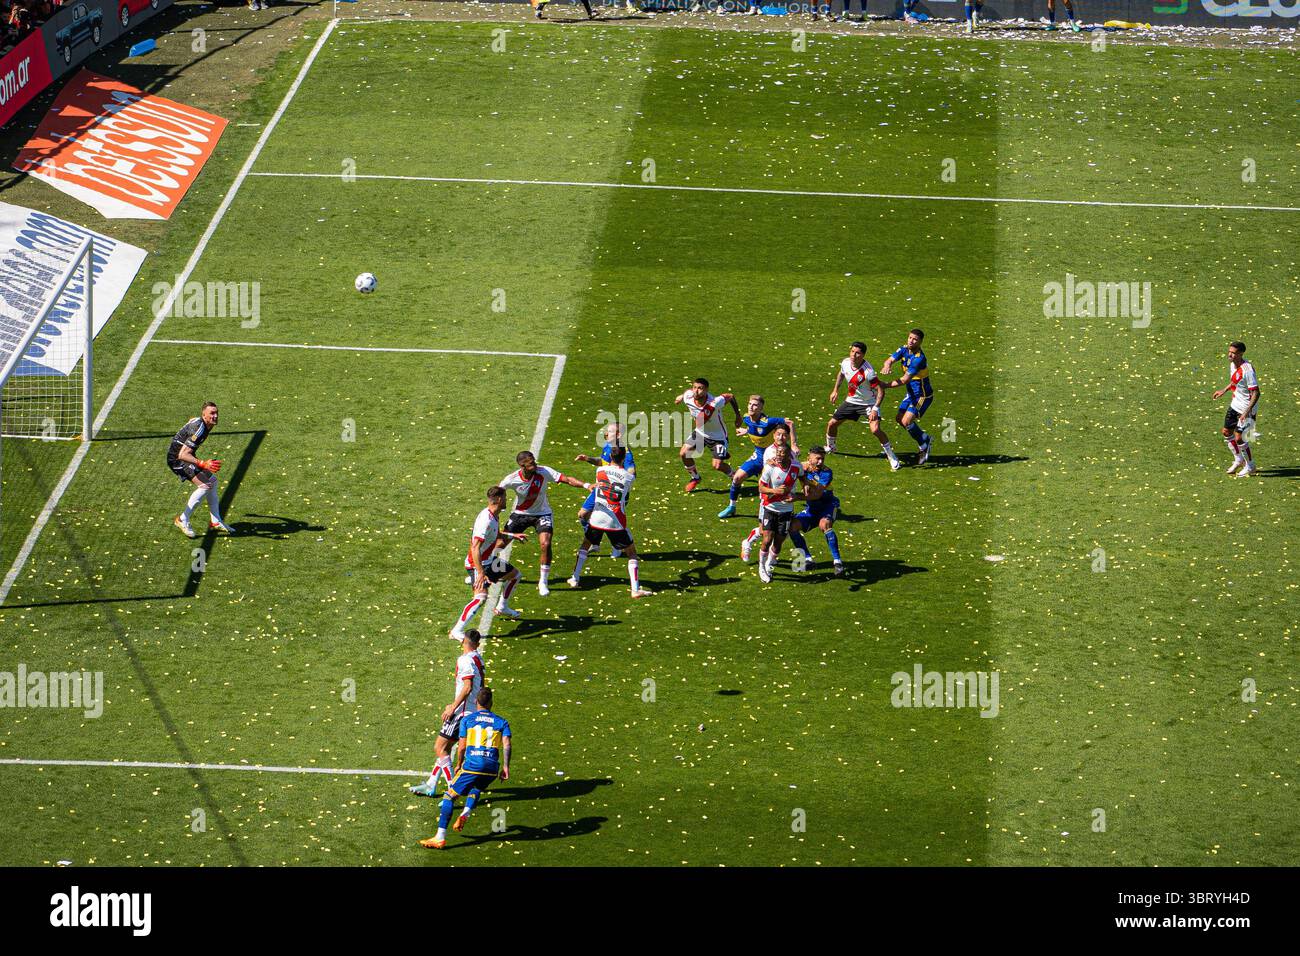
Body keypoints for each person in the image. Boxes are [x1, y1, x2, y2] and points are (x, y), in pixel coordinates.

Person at [419, 687, 511, 849]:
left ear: (476, 702)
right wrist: (505, 767)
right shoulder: (501, 721)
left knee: (449, 797)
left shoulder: (468, 720)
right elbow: (507, 745)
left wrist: (459, 765)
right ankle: (466, 812)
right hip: (491, 769)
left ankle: (439, 837)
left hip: (472, 765)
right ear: (491, 703)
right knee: (476, 787)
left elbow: (461, 747)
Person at [499, 451, 592, 597]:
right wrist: (497, 511)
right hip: (520, 515)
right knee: (499, 544)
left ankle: (543, 582)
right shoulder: (511, 479)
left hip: (542, 514)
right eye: (531, 463)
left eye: (534, 461)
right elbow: (497, 493)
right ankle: (479, 570)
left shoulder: (543, 471)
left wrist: (587, 485)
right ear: (522, 466)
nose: (535, 465)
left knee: (545, 544)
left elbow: (566, 479)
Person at [567, 448, 651, 597]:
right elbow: (629, 477)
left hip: (597, 518)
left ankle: (574, 578)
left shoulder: (600, 471)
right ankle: (635, 589)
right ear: (624, 458)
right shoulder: (628, 478)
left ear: (610, 456)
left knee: (585, 545)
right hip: (616, 521)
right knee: (631, 552)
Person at [411, 630, 484, 797]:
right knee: (447, 748)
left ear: (463, 641)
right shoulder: (478, 658)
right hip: (471, 711)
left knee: (440, 748)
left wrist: (452, 707)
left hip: (461, 713)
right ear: (478, 644)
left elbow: (467, 686)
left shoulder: (465, 660)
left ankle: (453, 789)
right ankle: (431, 784)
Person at [452, 487, 527, 639]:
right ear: (499, 499)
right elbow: (475, 548)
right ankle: (456, 630)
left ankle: (503, 607)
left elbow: (496, 533)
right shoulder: (485, 520)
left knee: (515, 575)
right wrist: (480, 573)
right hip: (477, 564)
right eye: (505, 497)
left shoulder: (494, 516)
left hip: (489, 561)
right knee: (480, 597)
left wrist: (513, 535)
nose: (506, 500)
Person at [719, 395, 798, 519]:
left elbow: (790, 422)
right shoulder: (746, 418)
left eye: (755, 405)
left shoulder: (767, 422)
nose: (751, 406)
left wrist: (793, 445)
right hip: (758, 456)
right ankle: (731, 507)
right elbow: (753, 427)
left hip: (774, 456)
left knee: (776, 487)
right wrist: (746, 431)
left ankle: (784, 512)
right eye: (750, 403)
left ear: (761, 408)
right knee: (737, 478)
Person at [825, 342, 899, 470]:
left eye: (857, 352)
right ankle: (831, 447)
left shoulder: (868, 372)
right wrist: (835, 390)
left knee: (875, 430)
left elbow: (881, 390)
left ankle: (891, 456)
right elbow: (841, 374)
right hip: (852, 401)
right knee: (832, 424)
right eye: (852, 351)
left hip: (868, 403)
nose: (854, 355)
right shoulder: (845, 362)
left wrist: (875, 409)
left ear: (863, 355)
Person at [168, 402, 233, 537]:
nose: (215, 416)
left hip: (186, 456)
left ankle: (215, 521)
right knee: (205, 486)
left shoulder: (203, 424)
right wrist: (202, 463)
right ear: (204, 415)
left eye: (216, 413)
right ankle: (182, 520)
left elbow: (191, 421)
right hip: (178, 459)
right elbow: (182, 454)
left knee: (213, 481)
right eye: (212, 413)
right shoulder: (200, 428)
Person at [575, 423, 636, 557]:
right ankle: (595, 543)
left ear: (619, 435)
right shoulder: (608, 446)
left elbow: (631, 472)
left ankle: (620, 546)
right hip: (601, 489)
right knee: (583, 515)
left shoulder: (625, 452)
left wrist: (618, 481)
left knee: (614, 520)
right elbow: (602, 462)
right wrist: (587, 459)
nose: (606, 434)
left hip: (615, 493)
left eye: (609, 432)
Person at [676, 378, 741, 493]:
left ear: (706, 390)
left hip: (718, 437)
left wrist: (738, 415)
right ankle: (695, 478)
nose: (696, 391)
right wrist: (681, 397)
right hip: (701, 433)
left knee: (717, 466)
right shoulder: (688, 396)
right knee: (684, 453)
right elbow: (686, 393)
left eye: (700, 388)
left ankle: (734, 476)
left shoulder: (715, 402)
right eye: (694, 387)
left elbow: (730, 396)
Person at [880, 328, 934, 466]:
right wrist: (887, 365)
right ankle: (924, 439)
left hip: (922, 395)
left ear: (921, 342)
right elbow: (891, 359)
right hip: (911, 394)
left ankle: (924, 444)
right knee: (899, 418)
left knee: (906, 421)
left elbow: (904, 380)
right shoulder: (904, 349)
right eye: (910, 337)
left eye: (915, 339)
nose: (911, 341)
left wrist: (885, 385)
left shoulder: (919, 359)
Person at [789, 446, 844, 575]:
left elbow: (817, 495)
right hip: (812, 508)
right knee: (792, 527)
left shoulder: (826, 472)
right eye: (817, 458)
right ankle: (807, 559)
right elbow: (786, 468)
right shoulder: (800, 468)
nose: (820, 462)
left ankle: (837, 562)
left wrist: (797, 497)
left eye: (822, 459)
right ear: (809, 457)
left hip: (828, 506)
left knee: (824, 524)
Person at [756, 444, 803, 584]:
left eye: (782, 453)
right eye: (778, 452)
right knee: (767, 539)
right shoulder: (770, 467)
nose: (779, 455)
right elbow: (761, 487)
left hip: (786, 510)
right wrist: (775, 491)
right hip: (770, 508)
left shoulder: (796, 467)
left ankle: (769, 563)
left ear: (789, 455)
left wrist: (806, 484)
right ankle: (761, 568)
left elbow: (802, 476)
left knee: (778, 542)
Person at [1213, 341, 1260, 478]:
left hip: (1246, 408)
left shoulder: (1248, 371)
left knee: (1240, 438)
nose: (1230, 355)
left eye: (1233, 353)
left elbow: (1256, 393)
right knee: (1227, 432)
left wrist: (1247, 412)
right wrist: (1224, 390)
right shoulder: (1233, 365)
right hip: (1235, 404)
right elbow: (1235, 380)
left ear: (1240, 354)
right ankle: (1239, 459)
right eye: (1229, 352)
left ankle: (1250, 465)